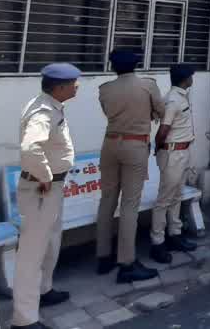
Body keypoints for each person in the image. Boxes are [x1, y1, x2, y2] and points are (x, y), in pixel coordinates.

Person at [10, 64, 79, 329]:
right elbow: (30, 148)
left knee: (50, 244)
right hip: (41, 189)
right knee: (31, 255)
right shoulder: (42, 111)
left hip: (50, 191)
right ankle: (24, 319)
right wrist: (46, 176)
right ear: (60, 87)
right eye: (74, 83)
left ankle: (44, 291)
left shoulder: (48, 105)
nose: (77, 87)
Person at [95, 48, 164, 284]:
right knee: (130, 204)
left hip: (110, 144)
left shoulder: (105, 89)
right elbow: (161, 111)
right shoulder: (148, 86)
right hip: (135, 146)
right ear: (136, 65)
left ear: (113, 66)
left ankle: (103, 256)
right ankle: (127, 262)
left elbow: (106, 112)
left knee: (107, 200)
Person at [150, 64, 200, 264]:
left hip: (181, 152)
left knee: (177, 196)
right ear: (185, 79)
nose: (192, 79)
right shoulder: (173, 99)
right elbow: (163, 130)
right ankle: (157, 242)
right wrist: (159, 148)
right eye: (191, 76)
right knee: (165, 198)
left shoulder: (180, 96)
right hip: (172, 154)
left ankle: (174, 234)